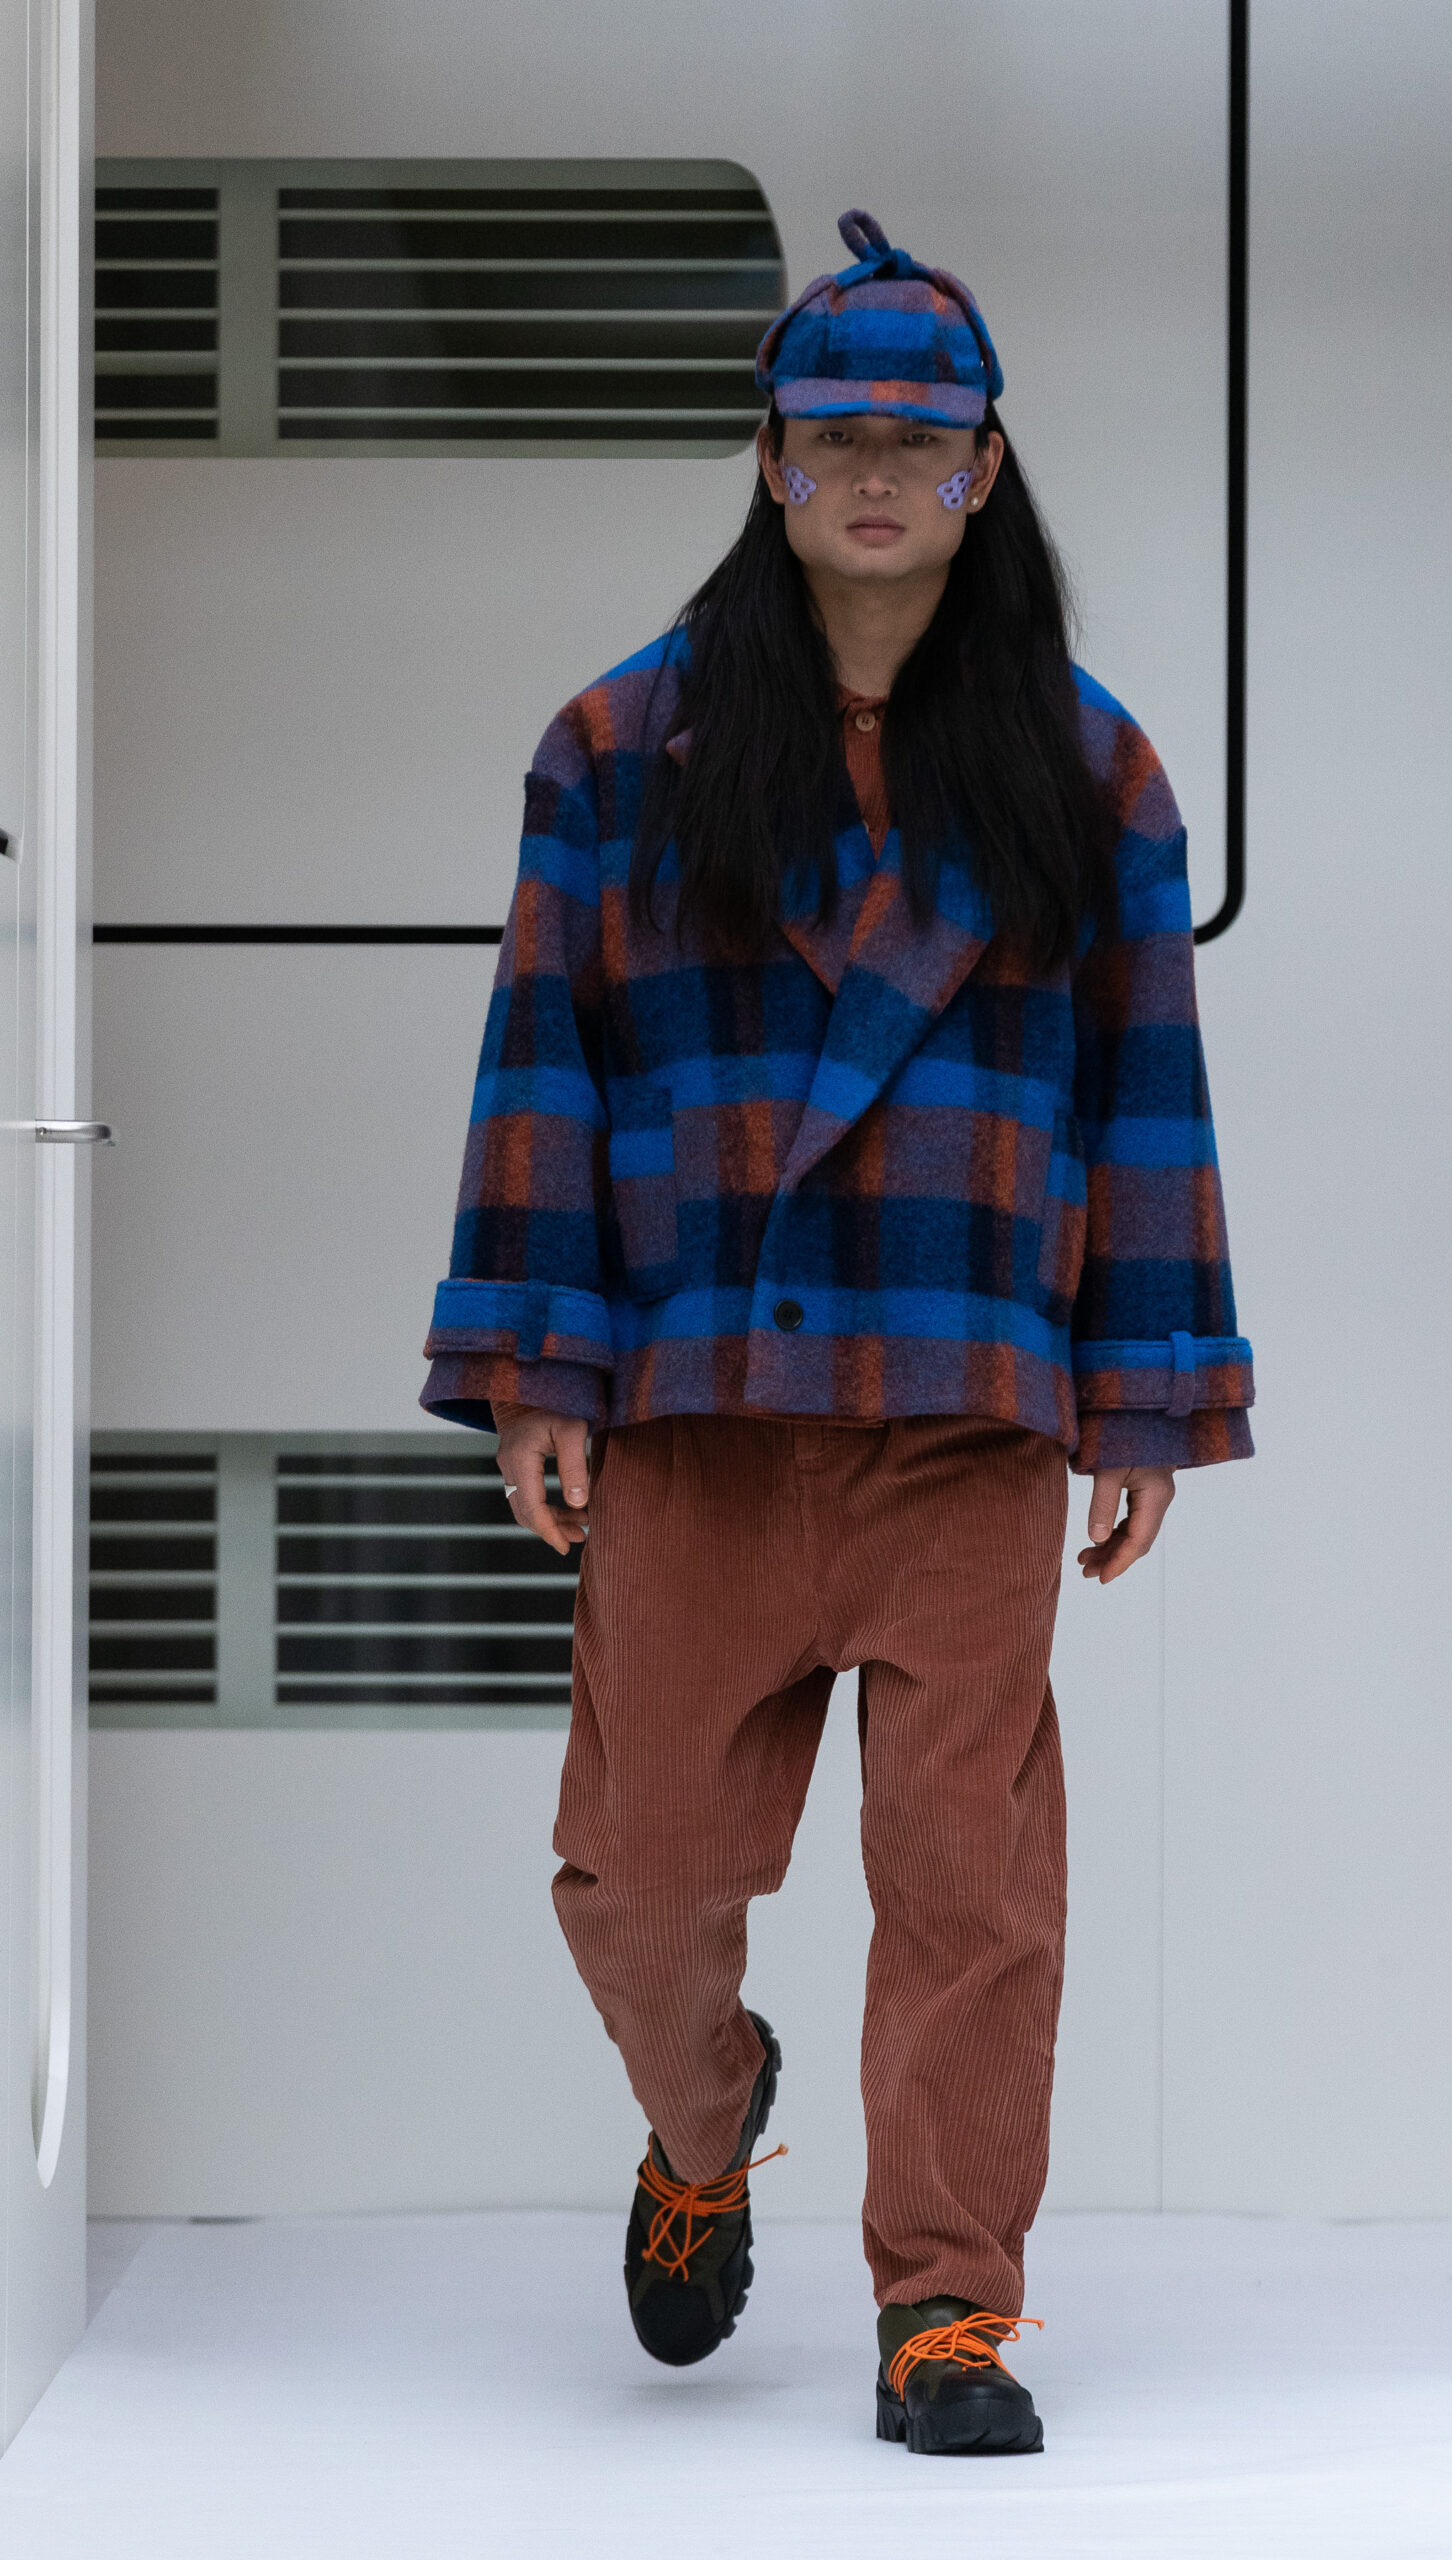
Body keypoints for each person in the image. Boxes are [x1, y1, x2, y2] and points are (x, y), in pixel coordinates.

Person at [421, 207, 1253, 2457]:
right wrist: (539, 1365)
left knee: (971, 1887)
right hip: (700, 1397)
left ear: (984, 469)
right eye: (834, 434)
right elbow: (545, 1060)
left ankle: (945, 2309)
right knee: (640, 1874)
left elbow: (1143, 1093)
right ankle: (704, 2128)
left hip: (966, 1397)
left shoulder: (1089, 771)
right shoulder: (622, 746)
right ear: (770, 456)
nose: (875, 473)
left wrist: (1142, 1394)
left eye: (919, 438)